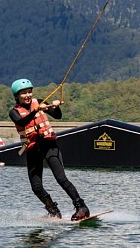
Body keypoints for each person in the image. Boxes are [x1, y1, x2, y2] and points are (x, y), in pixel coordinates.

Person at [9, 78, 89, 220]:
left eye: (29, 92)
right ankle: (53, 211)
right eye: (24, 93)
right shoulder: (14, 112)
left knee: (61, 178)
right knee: (36, 187)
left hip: (49, 146)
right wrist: (36, 110)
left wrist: (56, 106)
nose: (28, 95)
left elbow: (57, 115)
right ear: (17, 96)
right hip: (33, 150)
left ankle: (81, 207)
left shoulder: (40, 102)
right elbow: (22, 121)